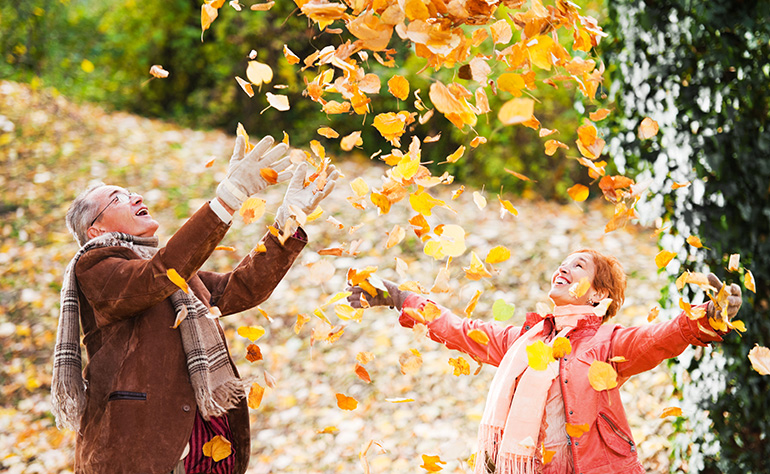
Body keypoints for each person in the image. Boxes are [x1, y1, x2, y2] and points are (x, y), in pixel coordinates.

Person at [52, 134, 339, 474]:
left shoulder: (176, 275)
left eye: (130, 192)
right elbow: (154, 277)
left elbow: (242, 288)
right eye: (117, 199)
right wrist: (229, 198)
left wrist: (289, 220)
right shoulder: (96, 267)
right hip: (141, 450)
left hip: (203, 446)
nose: (135, 196)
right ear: (95, 230)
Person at [347, 249, 742, 474]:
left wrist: (707, 316)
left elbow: (658, 339)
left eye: (579, 265)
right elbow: (459, 329)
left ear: (596, 295)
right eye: (563, 263)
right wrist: (398, 297)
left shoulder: (607, 342)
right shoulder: (524, 341)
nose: (564, 268)